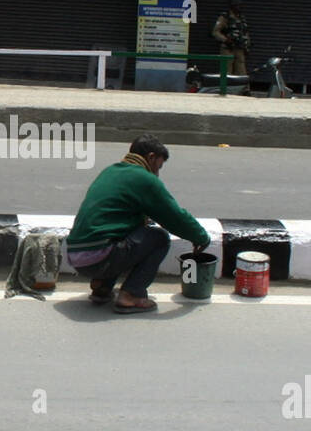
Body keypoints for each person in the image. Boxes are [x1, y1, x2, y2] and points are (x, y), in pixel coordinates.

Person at [66, 134, 210, 314]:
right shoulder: (144, 179)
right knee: (158, 238)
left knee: (129, 231)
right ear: (151, 157)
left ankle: (102, 285)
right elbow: (173, 216)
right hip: (100, 256)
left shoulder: (110, 171)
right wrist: (200, 237)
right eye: (158, 166)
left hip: (76, 255)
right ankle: (131, 295)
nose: (157, 173)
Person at [211, 0, 250, 79]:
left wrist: (247, 46)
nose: (239, 7)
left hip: (240, 48)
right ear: (232, 6)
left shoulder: (241, 18)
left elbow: (245, 33)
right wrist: (226, 40)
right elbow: (215, 32)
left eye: (241, 5)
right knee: (226, 71)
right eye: (237, 5)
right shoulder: (225, 17)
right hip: (228, 48)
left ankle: (243, 90)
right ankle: (225, 90)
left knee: (241, 72)